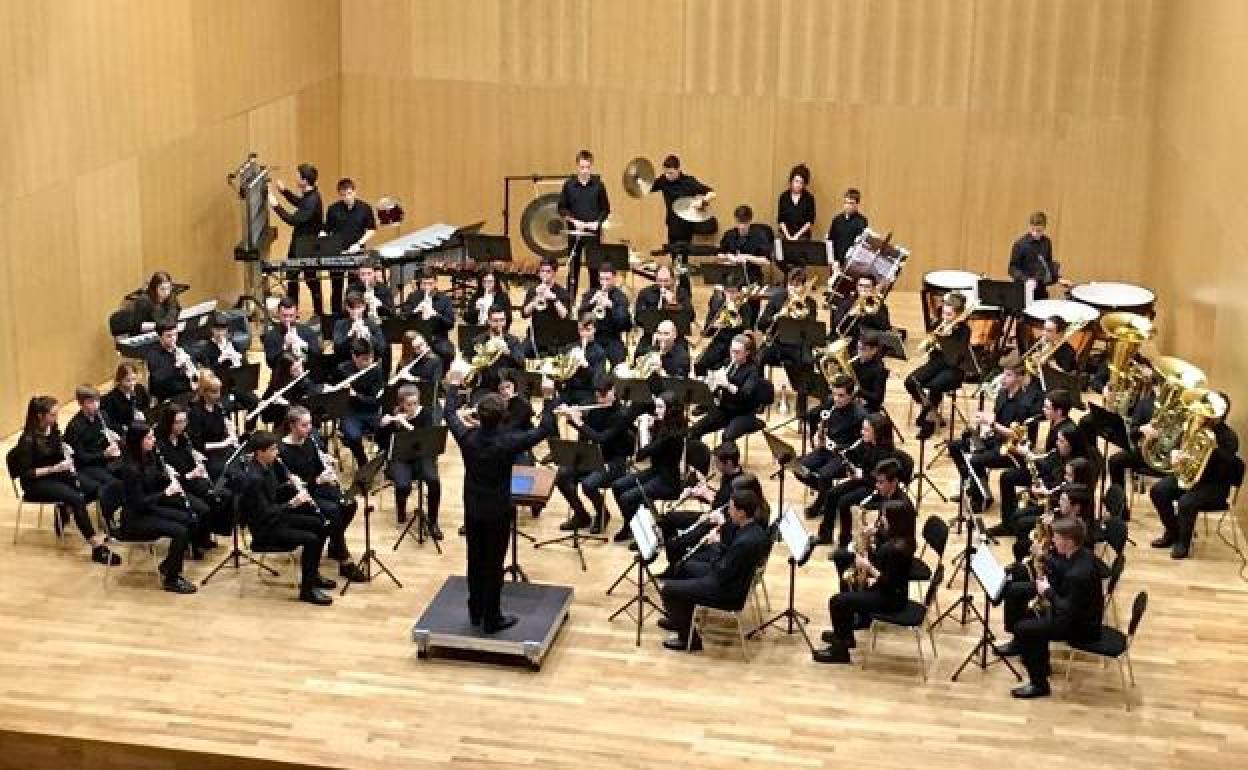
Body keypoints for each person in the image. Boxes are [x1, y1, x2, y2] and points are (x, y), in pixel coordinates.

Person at [443, 366, 556, 632]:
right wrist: (549, 397)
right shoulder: (508, 442)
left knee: (474, 559)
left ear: (479, 417)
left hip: (472, 507)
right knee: (494, 564)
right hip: (497, 510)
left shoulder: (467, 438)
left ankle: (475, 610)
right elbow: (545, 429)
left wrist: (454, 384)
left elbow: (449, 414)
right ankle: (492, 617)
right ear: (502, 417)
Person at [996, 517, 1104, 699]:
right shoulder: (1079, 553)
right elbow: (1062, 568)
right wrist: (1044, 557)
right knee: (1014, 590)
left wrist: (1047, 592)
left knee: (1025, 628)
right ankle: (1026, 650)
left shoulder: (1079, 574)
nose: (1053, 540)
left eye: (1056, 537)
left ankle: (1039, 685)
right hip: (1067, 602)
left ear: (1069, 542)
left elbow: (1066, 610)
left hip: (1080, 626)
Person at [658, 489, 771, 652]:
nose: (729, 512)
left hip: (726, 591)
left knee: (668, 589)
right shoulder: (752, 530)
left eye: (732, 509)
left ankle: (689, 640)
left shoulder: (745, 542)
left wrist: (714, 545)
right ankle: (679, 619)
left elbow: (721, 571)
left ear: (741, 513)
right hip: (729, 579)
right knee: (684, 567)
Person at [10, 396, 119, 565]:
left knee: (91, 487)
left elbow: (55, 452)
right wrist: (55, 468)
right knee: (76, 498)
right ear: (40, 415)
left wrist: (65, 453)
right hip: (35, 483)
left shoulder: (52, 429)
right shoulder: (27, 439)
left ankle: (66, 508)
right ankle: (96, 547)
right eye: (53, 414)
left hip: (54, 473)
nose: (56, 417)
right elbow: (27, 474)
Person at [813, 498, 917, 663]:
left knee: (837, 601)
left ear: (895, 521)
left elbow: (889, 583)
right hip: (890, 591)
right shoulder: (902, 539)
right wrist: (872, 534)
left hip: (890, 599)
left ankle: (841, 651)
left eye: (885, 517)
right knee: (848, 583)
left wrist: (868, 568)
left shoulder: (896, 550)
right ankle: (845, 635)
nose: (881, 520)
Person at [239, 431, 336, 605]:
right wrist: (292, 503)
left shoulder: (267, 467)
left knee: (320, 524)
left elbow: (274, 494)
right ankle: (307, 591)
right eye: (273, 449)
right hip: (265, 529)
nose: (277, 452)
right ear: (260, 452)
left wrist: (290, 485)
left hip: (276, 518)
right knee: (312, 539)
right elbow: (264, 513)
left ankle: (312, 575)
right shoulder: (254, 478)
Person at [279, 407, 366, 581]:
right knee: (333, 512)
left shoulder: (309, 441)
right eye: (304, 425)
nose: (309, 428)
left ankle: (334, 543)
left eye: (310, 423)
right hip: (301, 496)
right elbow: (293, 487)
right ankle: (344, 560)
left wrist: (327, 470)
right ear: (292, 426)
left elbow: (318, 467)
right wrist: (318, 480)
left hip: (317, 488)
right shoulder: (283, 451)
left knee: (349, 502)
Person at [1150, 391, 1240, 559]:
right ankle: (1173, 532)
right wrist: (1179, 455)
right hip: (1190, 476)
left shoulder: (1229, 437)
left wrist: (1214, 449)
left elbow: (1227, 469)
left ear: (1221, 413)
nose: (1204, 414)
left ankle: (1183, 543)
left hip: (1214, 486)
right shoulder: (1197, 427)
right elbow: (1184, 448)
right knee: (1158, 491)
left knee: (1186, 502)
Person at [948, 352, 1042, 511]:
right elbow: (998, 416)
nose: (1003, 378)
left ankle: (982, 499)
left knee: (975, 460)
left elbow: (1017, 435)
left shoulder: (1025, 403)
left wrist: (992, 424)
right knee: (956, 446)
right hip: (996, 440)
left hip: (1013, 450)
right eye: (1003, 373)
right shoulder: (1003, 393)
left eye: (1008, 375)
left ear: (1019, 377)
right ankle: (973, 486)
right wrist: (987, 425)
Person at [117, 423, 198, 593]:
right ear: (138, 441)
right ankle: (172, 580)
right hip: (135, 519)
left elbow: (153, 480)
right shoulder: (130, 469)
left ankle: (169, 565)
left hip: (148, 509)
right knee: (180, 531)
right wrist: (166, 493)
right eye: (149, 437)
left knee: (189, 519)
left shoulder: (148, 456)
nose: (153, 440)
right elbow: (139, 502)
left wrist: (170, 477)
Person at [554, 374, 636, 534]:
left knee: (588, 485)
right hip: (595, 456)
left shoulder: (622, 415)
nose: (600, 400)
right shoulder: (597, 407)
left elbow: (601, 438)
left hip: (615, 461)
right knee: (562, 476)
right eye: (598, 396)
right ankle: (581, 515)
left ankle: (602, 514)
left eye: (604, 395)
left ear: (613, 391)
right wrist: (570, 417)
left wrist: (579, 422)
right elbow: (589, 431)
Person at [817, 415, 912, 547]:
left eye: (866, 430)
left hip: (876, 488)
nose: (862, 432)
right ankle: (825, 535)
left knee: (844, 502)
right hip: (863, 480)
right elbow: (854, 456)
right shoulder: (865, 443)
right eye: (863, 429)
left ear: (877, 432)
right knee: (832, 493)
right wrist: (842, 453)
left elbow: (879, 479)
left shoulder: (886, 453)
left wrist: (859, 475)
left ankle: (845, 542)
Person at [993, 390, 1078, 534]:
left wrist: (1028, 455)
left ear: (1059, 411)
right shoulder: (1054, 424)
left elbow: (1057, 464)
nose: (1042, 410)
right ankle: (1007, 523)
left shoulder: (1067, 432)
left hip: (1054, 477)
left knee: (1008, 477)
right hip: (1047, 468)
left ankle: (1015, 524)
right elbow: (1050, 456)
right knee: (1007, 477)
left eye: (1046, 408)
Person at [611, 391, 687, 542]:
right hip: (656, 472)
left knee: (627, 498)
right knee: (617, 485)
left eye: (660, 407)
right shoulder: (666, 424)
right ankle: (630, 526)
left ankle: (641, 534)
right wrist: (652, 425)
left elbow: (642, 455)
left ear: (670, 409)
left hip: (667, 481)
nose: (656, 410)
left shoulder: (672, 434)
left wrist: (644, 428)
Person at [658, 441, 745, 566]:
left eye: (718, 463)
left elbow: (727, 511)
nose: (715, 466)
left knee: (677, 543)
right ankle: (674, 563)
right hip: (712, 515)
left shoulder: (740, 484)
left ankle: (679, 567)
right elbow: (720, 501)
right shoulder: (727, 474)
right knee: (668, 519)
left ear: (729, 463)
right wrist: (700, 493)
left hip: (718, 524)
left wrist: (706, 495)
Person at [797, 375, 868, 517]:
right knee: (798, 467)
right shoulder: (831, 403)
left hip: (845, 454)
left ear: (851, 395)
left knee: (824, 475)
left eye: (841, 395)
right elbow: (822, 421)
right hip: (826, 449)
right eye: (834, 394)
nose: (836, 399)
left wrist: (839, 448)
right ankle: (828, 495)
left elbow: (860, 445)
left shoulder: (859, 415)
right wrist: (819, 433)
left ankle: (821, 502)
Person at [905, 292, 973, 440]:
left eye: (949, 315)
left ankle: (929, 420)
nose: (945, 317)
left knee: (935, 386)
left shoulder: (964, 330)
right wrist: (934, 342)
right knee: (910, 382)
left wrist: (949, 339)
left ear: (958, 314)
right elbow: (931, 352)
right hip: (936, 363)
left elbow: (958, 356)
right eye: (944, 313)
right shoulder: (937, 324)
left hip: (954, 368)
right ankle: (929, 409)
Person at [155, 404, 228, 540]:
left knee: (221, 495)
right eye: (178, 422)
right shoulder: (160, 445)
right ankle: (198, 541)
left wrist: (196, 462)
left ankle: (213, 530)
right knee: (203, 508)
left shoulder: (183, 438)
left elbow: (188, 461)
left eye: (184, 421)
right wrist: (190, 475)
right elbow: (168, 476)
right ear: (168, 422)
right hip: (175, 488)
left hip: (190, 480)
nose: (182, 425)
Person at [379, 385, 443, 534]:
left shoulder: (426, 413)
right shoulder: (393, 414)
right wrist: (383, 426)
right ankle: (401, 511)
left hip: (423, 456)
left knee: (433, 480)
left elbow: (427, 438)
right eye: (409, 404)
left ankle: (433, 522)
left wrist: (407, 425)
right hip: (400, 458)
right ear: (401, 404)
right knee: (402, 485)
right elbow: (383, 444)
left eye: (416, 403)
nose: (413, 407)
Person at [269, 163, 326, 316]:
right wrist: (284, 191)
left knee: (311, 280)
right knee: (293, 279)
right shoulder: (310, 195)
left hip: (307, 246)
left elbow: (293, 220)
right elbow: (300, 202)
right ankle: (292, 311)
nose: (295, 178)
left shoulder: (313, 200)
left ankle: (319, 313)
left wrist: (275, 205)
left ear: (305, 180)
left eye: (297, 176)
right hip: (299, 243)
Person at [689, 333, 767, 444]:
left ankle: (728, 460)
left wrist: (728, 386)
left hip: (743, 413)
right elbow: (717, 390)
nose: (733, 355)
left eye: (737, 352)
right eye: (732, 350)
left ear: (747, 353)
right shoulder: (727, 363)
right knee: (694, 430)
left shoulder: (752, 370)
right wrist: (710, 383)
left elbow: (745, 395)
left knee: (727, 436)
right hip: (725, 409)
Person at [558, 149, 611, 298]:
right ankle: (570, 301)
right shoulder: (569, 185)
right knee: (573, 269)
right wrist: (574, 221)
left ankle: (593, 300)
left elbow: (605, 209)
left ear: (591, 166)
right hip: (575, 233)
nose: (585, 170)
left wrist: (597, 222)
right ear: (577, 166)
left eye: (587, 167)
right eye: (582, 167)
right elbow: (562, 208)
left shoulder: (599, 185)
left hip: (593, 233)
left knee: (594, 268)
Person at [322, 178, 378, 316]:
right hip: (337, 253)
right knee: (336, 286)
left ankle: (354, 313)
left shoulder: (365, 208)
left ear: (354, 191)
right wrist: (322, 239)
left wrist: (359, 244)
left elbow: (371, 229)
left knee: (354, 287)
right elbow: (326, 230)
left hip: (356, 253)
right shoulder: (333, 209)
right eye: (343, 194)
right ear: (339, 194)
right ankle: (336, 315)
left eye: (349, 193)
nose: (347, 197)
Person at [759, 266, 818, 388]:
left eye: (797, 285)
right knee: (758, 358)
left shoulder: (810, 303)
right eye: (791, 284)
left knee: (808, 362)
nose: (793, 289)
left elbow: (811, 330)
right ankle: (761, 391)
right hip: (777, 343)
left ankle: (802, 398)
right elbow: (761, 324)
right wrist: (775, 317)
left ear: (803, 286)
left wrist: (802, 316)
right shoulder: (776, 298)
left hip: (799, 345)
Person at [195, 313, 260, 422]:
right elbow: (207, 374)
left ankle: (249, 432)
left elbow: (246, 368)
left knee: (255, 402)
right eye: (217, 330)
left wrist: (238, 360)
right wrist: (220, 360)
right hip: (219, 389)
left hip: (237, 385)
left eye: (223, 330)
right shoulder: (206, 349)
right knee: (224, 408)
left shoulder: (234, 345)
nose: (220, 333)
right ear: (212, 330)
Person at [334, 338, 385, 469]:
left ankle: (383, 458)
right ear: (354, 357)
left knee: (389, 427)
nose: (369, 362)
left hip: (371, 410)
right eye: (364, 359)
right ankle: (363, 462)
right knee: (353, 436)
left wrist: (356, 396)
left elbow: (376, 401)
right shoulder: (342, 370)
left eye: (371, 358)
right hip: (350, 413)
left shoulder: (376, 371)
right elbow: (338, 399)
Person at [63, 385, 123, 495]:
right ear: (81, 404)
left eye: (97, 400)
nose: (96, 405)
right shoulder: (74, 426)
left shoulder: (103, 415)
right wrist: (104, 454)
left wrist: (115, 440)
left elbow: (109, 437)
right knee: (114, 484)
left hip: (105, 460)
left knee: (131, 472)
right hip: (87, 466)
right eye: (91, 402)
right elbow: (80, 457)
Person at [649, 154, 715, 249]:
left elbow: (711, 192)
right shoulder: (663, 180)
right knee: (673, 253)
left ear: (678, 169)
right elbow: (646, 188)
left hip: (687, 225)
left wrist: (703, 201)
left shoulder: (689, 182)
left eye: (671, 173)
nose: (668, 176)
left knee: (684, 254)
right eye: (666, 172)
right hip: (672, 223)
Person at [694, 278, 755, 376]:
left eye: (733, 292)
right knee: (699, 364)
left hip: (735, 344)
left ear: (739, 293)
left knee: (724, 369)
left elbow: (747, 332)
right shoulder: (718, 304)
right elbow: (707, 331)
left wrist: (737, 319)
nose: (730, 295)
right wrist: (716, 324)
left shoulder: (745, 306)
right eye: (727, 292)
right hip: (719, 342)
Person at [187, 372, 241, 481]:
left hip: (221, 449)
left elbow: (222, 425)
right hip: (207, 455)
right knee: (227, 472)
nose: (219, 395)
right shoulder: (196, 413)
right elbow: (198, 445)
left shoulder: (218, 407)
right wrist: (224, 443)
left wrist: (229, 430)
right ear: (204, 392)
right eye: (214, 392)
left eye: (219, 391)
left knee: (241, 462)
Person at [578, 262, 633, 366]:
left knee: (619, 357)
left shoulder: (621, 297)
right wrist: (592, 302)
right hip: (592, 337)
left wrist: (611, 306)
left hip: (612, 338)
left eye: (607, 279)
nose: (604, 282)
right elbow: (580, 316)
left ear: (614, 278)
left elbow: (626, 325)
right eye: (602, 279)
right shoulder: (591, 293)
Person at [401, 266, 457, 365]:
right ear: (420, 283)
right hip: (416, 337)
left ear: (435, 283)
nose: (427, 287)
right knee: (407, 358)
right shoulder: (413, 296)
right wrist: (415, 310)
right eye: (424, 284)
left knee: (448, 353)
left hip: (437, 337)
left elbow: (450, 323)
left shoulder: (444, 299)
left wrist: (435, 314)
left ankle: (439, 376)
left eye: (430, 284)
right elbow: (403, 316)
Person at [1008, 210, 1067, 303]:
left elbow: (1048, 265)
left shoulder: (1047, 242)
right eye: (1033, 230)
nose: (1035, 233)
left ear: (1044, 227)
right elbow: (1012, 268)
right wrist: (1027, 279)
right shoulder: (1020, 244)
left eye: (1039, 231)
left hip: (1040, 289)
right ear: (1030, 226)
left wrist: (1058, 279)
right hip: (1024, 289)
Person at [467, 307, 525, 400]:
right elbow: (468, 363)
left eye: (502, 320)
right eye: (495, 321)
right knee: (478, 407)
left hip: (508, 386)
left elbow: (521, 363)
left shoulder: (513, 341)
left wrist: (508, 352)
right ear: (489, 321)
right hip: (485, 386)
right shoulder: (478, 341)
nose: (499, 324)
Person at [557, 314, 608, 406]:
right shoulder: (569, 348)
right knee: (549, 412)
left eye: (588, 330)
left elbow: (598, 382)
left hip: (587, 393)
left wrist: (585, 365)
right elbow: (560, 373)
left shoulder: (599, 352)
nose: (584, 334)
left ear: (594, 330)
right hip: (568, 391)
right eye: (581, 330)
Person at [717, 205, 771, 285]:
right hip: (731, 276)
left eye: (745, 223)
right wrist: (729, 256)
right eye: (739, 222)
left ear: (750, 221)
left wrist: (747, 257)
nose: (742, 226)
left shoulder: (759, 236)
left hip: (751, 276)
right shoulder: (729, 234)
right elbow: (719, 255)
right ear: (735, 220)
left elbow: (766, 261)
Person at [145, 323, 198, 402]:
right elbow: (159, 379)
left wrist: (190, 366)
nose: (173, 338)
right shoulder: (153, 355)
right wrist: (176, 366)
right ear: (160, 337)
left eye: (175, 334)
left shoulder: (184, 349)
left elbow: (194, 371)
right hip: (168, 397)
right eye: (169, 336)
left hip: (187, 392)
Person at [263, 298, 320, 368]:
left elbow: (316, 355)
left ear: (296, 314)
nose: (288, 319)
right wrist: (285, 347)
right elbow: (270, 362)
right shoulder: (271, 335)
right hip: (282, 375)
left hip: (305, 373)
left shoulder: (308, 332)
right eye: (284, 316)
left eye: (291, 316)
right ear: (278, 314)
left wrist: (301, 344)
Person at [831, 274, 891, 341]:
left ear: (873, 288)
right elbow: (836, 324)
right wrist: (850, 315)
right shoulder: (846, 302)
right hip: (848, 339)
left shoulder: (879, 305)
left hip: (869, 341)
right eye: (861, 285)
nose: (863, 289)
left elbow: (885, 327)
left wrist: (874, 313)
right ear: (857, 286)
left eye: (867, 286)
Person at [332, 292, 386, 361]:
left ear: (364, 307)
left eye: (358, 307)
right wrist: (349, 335)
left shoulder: (372, 324)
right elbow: (337, 350)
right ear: (347, 308)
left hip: (368, 363)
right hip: (346, 364)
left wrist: (369, 336)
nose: (355, 311)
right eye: (352, 308)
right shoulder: (340, 324)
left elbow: (381, 349)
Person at [101, 363, 151, 430]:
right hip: (124, 431)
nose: (132, 383)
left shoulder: (140, 389)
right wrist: (126, 427)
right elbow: (110, 423)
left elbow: (147, 407)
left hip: (142, 426)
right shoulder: (110, 399)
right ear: (120, 380)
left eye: (134, 379)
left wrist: (143, 414)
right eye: (128, 380)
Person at [826, 188, 868, 266]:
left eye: (851, 203)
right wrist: (832, 260)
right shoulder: (837, 219)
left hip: (851, 263)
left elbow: (859, 244)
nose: (848, 206)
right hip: (836, 262)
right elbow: (830, 240)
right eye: (846, 203)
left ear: (857, 204)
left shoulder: (862, 221)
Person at [346, 257, 394, 324]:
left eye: (369, 273)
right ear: (359, 275)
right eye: (362, 274)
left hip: (380, 323)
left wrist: (379, 304)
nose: (366, 277)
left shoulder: (384, 289)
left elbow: (391, 312)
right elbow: (348, 310)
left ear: (374, 273)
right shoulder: (352, 288)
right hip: (359, 323)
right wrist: (362, 301)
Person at [851, 332, 890, 413]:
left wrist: (859, 391)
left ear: (874, 350)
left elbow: (878, 398)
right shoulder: (855, 361)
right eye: (858, 348)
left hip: (868, 406)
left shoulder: (879, 370)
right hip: (851, 399)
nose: (859, 352)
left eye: (863, 349)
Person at [777, 164, 815, 241]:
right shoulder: (783, 197)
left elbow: (809, 221)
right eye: (796, 181)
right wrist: (788, 237)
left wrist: (796, 236)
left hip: (802, 235)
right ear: (791, 181)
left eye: (801, 183)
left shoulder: (809, 198)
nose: (798, 185)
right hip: (785, 234)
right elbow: (781, 220)